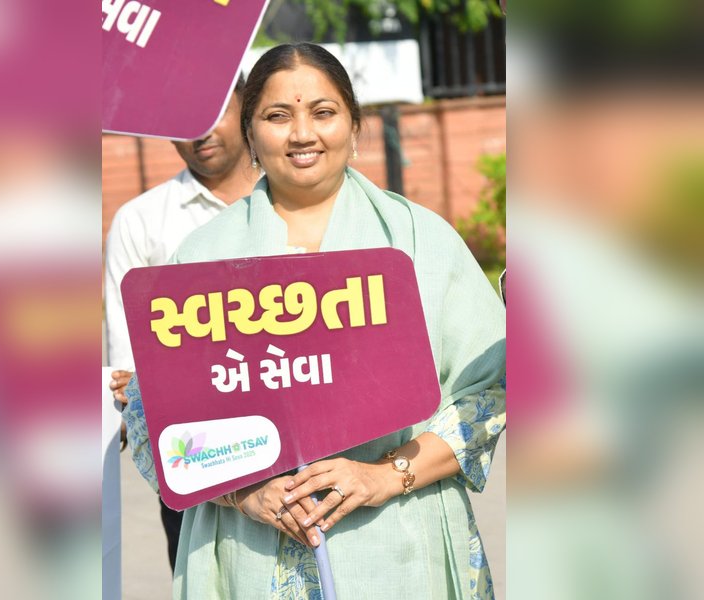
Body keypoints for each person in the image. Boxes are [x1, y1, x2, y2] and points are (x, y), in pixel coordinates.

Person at [123, 42, 505, 599]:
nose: (302, 133)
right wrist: (241, 493)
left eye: (322, 113)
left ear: (354, 126)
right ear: (251, 135)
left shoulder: (421, 241)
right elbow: (150, 413)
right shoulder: (201, 259)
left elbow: (489, 387)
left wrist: (381, 476)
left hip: (401, 543)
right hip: (248, 553)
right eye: (278, 116)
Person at [105, 75, 257, 571]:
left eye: (213, 109)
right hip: (194, 457)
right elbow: (129, 376)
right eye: (180, 120)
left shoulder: (297, 201)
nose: (199, 131)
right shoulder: (142, 221)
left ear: (245, 105)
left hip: (305, 451)